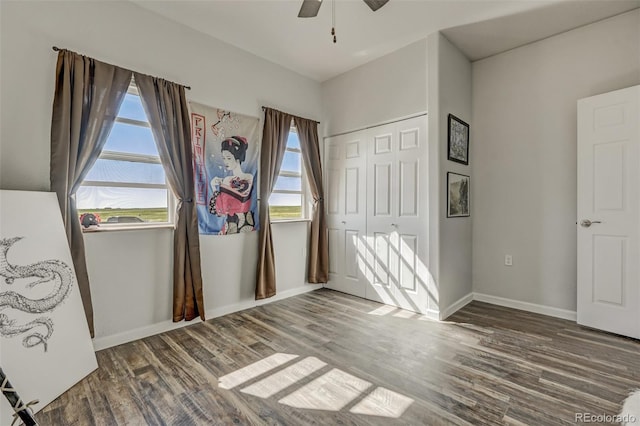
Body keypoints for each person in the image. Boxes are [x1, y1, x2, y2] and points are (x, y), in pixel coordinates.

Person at [209, 136, 255, 234]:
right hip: (228, 224)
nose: (226, 161)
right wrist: (213, 186)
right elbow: (220, 210)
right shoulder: (226, 180)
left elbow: (243, 194)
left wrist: (225, 184)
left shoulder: (248, 177)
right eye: (224, 158)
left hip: (245, 223)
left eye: (229, 158)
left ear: (238, 158)